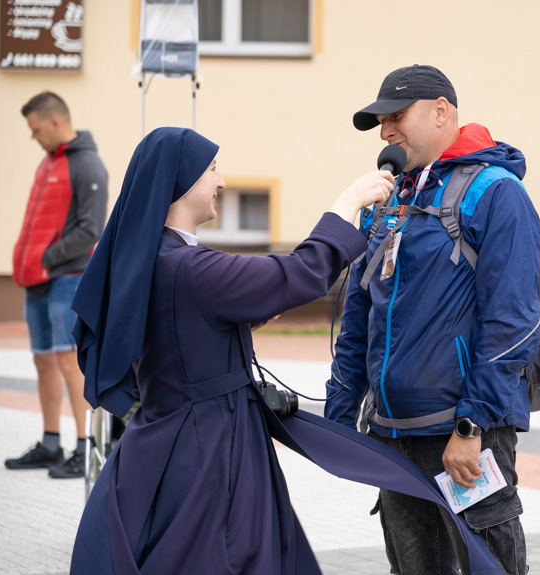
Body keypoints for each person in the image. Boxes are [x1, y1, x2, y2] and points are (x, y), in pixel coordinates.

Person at [68, 127, 395, 573]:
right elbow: (299, 273)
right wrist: (346, 205)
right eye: (212, 169)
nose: (221, 181)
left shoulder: (152, 258)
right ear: (183, 184)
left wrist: (235, 323)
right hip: (211, 445)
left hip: (168, 437)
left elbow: (178, 323)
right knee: (224, 554)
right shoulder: (189, 267)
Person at [325, 64, 540, 575]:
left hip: (463, 437)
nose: (385, 132)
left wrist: (472, 425)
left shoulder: (496, 192)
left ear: (441, 111)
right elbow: (360, 315)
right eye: (380, 123)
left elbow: (511, 323)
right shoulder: (389, 198)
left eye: (396, 116)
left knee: (491, 568)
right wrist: (340, 419)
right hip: (390, 437)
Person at [5, 91, 108, 479]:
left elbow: (90, 229)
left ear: (53, 121)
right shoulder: (47, 164)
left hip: (67, 277)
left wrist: (47, 258)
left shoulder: (87, 165)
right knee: (43, 360)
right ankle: (51, 444)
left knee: (69, 361)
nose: (33, 137)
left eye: (35, 129)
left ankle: (85, 448)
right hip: (37, 281)